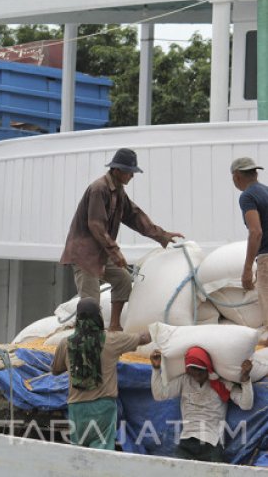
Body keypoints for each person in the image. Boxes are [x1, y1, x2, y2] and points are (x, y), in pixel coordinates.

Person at [60, 148, 184, 331]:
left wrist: (161, 235)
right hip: (84, 255)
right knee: (90, 304)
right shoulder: (99, 189)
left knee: (123, 280)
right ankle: (91, 339)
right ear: (117, 170)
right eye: (129, 172)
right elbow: (96, 225)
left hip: (101, 253)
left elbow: (134, 216)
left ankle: (115, 325)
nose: (132, 177)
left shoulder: (118, 192)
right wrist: (115, 252)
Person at [51, 297, 151, 450]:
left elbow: (55, 370)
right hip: (102, 407)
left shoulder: (66, 343)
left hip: (77, 408)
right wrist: (160, 328)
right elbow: (143, 339)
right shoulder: (112, 340)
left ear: (78, 318)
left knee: (78, 454)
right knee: (101, 453)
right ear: (98, 317)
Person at [150, 347, 253, 462]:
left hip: (211, 443)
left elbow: (246, 404)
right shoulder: (184, 380)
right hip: (187, 441)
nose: (196, 378)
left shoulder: (222, 384)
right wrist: (156, 368)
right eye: (193, 374)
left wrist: (245, 379)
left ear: (207, 369)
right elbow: (159, 395)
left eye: (200, 374)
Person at [231, 157, 268, 332]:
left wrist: (247, 269)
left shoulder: (247, 196)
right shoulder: (266, 191)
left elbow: (256, 232)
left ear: (236, 176)